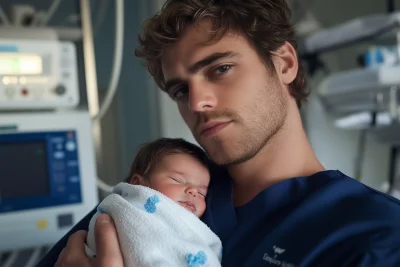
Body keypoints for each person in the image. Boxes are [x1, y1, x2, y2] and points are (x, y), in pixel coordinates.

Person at [42, 0, 400, 266]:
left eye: (221, 68)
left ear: (285, 63)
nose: (197, 102)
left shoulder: (374, 234)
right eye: (180, 90)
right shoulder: (158, 194)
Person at [84, 138, 222, 267]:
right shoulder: (124, 209)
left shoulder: (193, 229)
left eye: (201, 193)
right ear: (138, 184)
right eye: (177, 180)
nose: (193, 192)